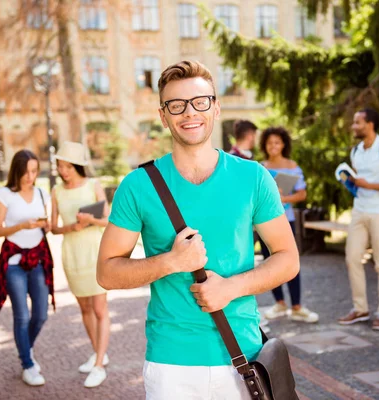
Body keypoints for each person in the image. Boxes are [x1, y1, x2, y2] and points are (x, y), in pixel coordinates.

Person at [97, 60, 299, 399]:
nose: (189, 112)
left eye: (200, 101)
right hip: (171, 364)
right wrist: (169, 262)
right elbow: (106, 272)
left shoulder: (253, 177)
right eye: (176, 105)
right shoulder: (137, 186)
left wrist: (231, 288)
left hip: (243, 355)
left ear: (216, 107)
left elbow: (288, 258)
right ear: (164, 116)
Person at [50, 141, 111, 388]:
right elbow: (53, 227)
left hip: (94, 253)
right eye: (60, 166)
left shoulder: (93, 186)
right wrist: (71, 227)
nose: (63, 171)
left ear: (76, 165)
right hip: (72, 254)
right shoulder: (56, 191)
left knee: (99, 310)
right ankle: (99, 353)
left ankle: (98, 366)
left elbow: (108, 220)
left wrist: (90, 220)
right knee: (85, 309)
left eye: (66, 166)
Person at [0, 149, 54, 387]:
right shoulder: (4, 194)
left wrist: (45, 226)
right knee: (22, 316)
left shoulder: (41, 193)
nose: (31, 176)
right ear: (17, 170)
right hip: (15, 263)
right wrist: (21, 226)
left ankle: (24, 351)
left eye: (34, 171)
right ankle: (28, 364)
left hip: (38, 260)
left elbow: (45, 222)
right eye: (27, 171)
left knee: (40, 315)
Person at [338, 108, 379, 331]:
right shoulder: (356, 151)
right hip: (360, 210)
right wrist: (351, 183)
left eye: (357, 123)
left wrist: (368, 185)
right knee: (352, 258)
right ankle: (361, 308)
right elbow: (359, 180)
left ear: (370, 124)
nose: (353, 126)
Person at [258, 126, 319, 323]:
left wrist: (285, 198)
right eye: (269, 143)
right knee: (269, 263)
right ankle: (279, 303)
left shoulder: (292, 167)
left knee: (291, 261)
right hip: (263, 222)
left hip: (286, 220)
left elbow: (302, 194)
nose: (273, 146)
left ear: (283, 144)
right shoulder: (260, 167)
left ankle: (297, 306)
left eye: (277, 142)